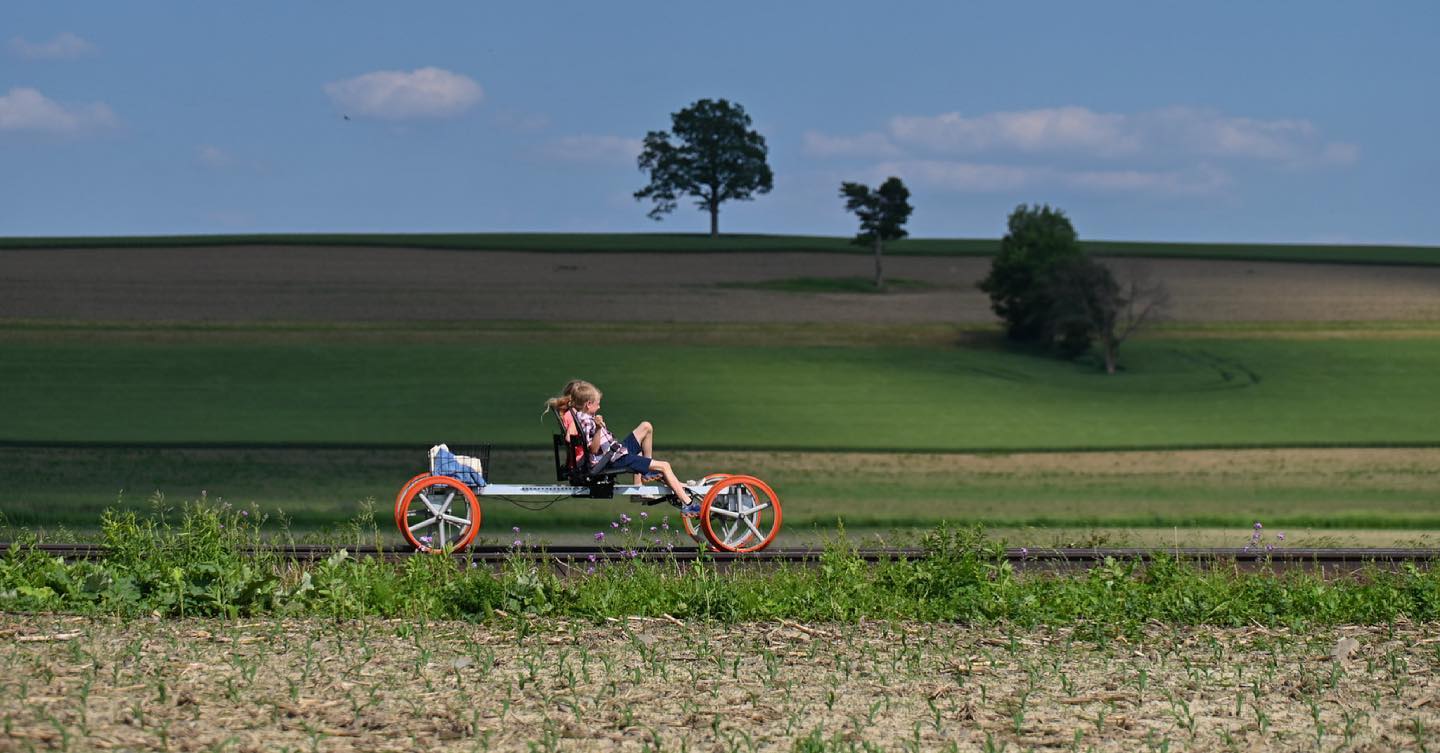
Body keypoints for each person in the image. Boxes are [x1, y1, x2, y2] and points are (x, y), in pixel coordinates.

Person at [543, 380, 698, 516]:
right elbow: (594, 450)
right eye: (597, 403)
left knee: (646, 427)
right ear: (588, 404)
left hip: (614, 453)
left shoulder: (583, 416)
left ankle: (645, 473)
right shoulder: (587, 421)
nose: (599, 406)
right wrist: (598, 428)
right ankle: (688, 505)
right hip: (614, 459)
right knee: (665, 466)